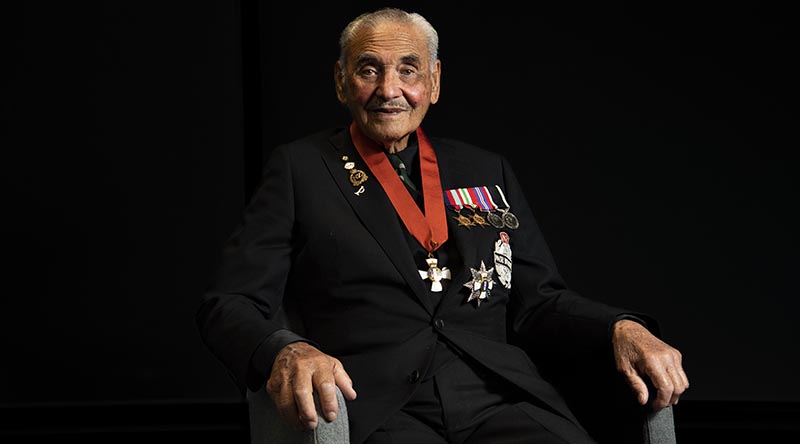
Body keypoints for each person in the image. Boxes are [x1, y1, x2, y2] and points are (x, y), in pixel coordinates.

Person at [196, 7, 689, 444]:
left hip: (497, 396)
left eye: (407, 70)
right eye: (369, 69)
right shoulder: (299, 168)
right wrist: (285, 349)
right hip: (377, 406)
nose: (389, 90)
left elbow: (540, 302)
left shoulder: (486, 169)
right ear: (342, 81)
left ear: (433, 81)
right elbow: (229, 304)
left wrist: (622, 327)